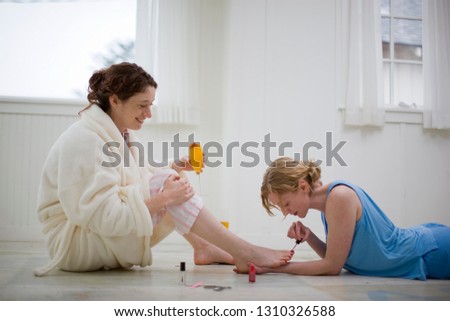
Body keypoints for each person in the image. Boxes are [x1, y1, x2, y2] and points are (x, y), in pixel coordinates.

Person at [34, 62, 292, 276]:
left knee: (172, 180)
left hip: (95, 235)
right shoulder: (86, 140)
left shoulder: (118, 135)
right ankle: (244, 251)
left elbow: (139, 182)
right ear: (115, 100)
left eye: (151, 105)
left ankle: (205, 247)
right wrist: (165, 196)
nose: (148, 114)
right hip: (74, 244)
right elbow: (104, 217)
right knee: (169, 187)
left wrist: (174, 169)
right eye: (142, 105)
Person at [255, 156, 450, 280]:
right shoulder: (329, 205)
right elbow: (339, 258)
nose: (285, 212)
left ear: (303, 187)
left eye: (286, 204)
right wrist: (310, 236)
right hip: (425, 246)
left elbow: (332, 267)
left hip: (429, 252)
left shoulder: (339, 198)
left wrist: (278, 268)